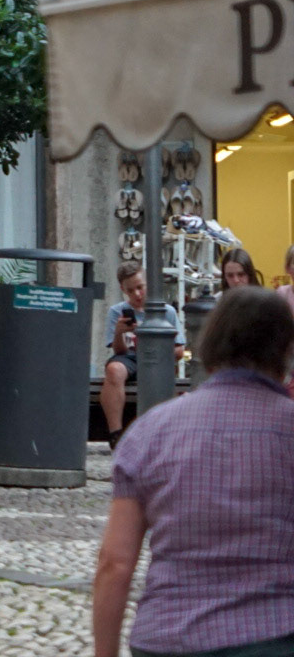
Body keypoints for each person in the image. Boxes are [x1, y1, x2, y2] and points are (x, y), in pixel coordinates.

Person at [93, 286, 294, 657]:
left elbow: (115, 563)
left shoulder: (150, 431)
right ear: (284, 351)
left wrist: (104, 652)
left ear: (210, 347)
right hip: (274, 635)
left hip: (167, 637)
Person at [101, 261, 186, 450]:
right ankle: (115, 434)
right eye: (130, 291)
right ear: (123, 290)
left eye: (140, 287)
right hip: (129, 358)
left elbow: (179, 351)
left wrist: (155, 349)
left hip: (158, 359)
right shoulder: (117, 312)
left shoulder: (166, 312)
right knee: (114, 370)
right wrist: (118, 333)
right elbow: (119, 352)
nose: (137, 294)